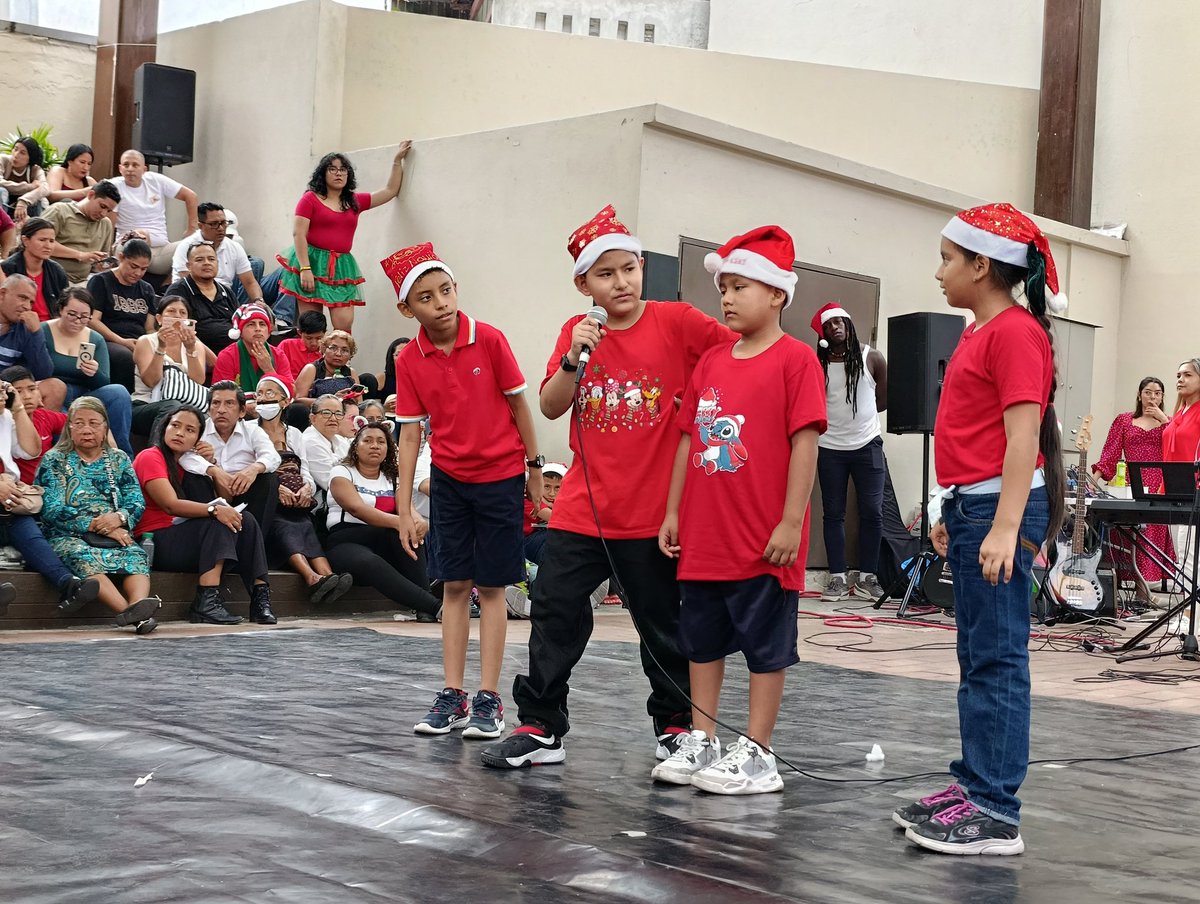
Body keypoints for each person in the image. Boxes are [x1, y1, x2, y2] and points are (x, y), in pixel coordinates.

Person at [480, 205, 733, 770]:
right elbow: (549, 404)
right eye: (605, 274)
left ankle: (675, 725)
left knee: (661, 622)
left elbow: (735, 353)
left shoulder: (679, 321)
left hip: (653, 510)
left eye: (629, 269)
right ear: (583, 284)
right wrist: (573, 357)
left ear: (642, 267)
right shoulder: (577, 335)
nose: (621, 283)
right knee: (554, 606)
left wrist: (702, 410)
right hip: (583, 505)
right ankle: (542, 724)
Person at [893, 203, 1064, 856]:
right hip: (975, 509)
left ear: (982, 265)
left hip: (1000, 513)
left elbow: (1023, 440)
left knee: (997, 658)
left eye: (947, 259)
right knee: (976, 656)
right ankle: (974, 784)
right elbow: (975, 436)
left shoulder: (1015, 334)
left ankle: (995, 810)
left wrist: (1006, 527)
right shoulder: (980, 331)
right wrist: (949, 509)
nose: (939, 272)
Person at [653, 225, 825, 794]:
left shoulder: (797, 361)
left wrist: (792, 522)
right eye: (722, 287)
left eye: (740, 286)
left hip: (761, 537)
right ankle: (703, 738)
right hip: (706, 535)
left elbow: (805, 442)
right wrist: (674, 510)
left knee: (764, 645)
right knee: (700, 641)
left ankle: (758, 750)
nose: (726, 298)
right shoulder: (711, 363)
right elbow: (687, 439)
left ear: (777, 293)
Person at [384, 241, 542, 740]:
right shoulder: (410, 359)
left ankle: (489, 698)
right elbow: (410, 433)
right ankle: (452, 694)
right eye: (427, 297)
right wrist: (407, 504)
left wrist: (534, 469)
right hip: (450, 481)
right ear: (408, 308)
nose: (442, 303)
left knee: (492, 588)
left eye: (446, 290)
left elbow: (520, 407)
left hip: (499, 478)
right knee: (454, 586)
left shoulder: (490, 339)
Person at [133, 406, 274, 625]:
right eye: (175, 426)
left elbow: (226, 497)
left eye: (189, 430)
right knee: (215, 523)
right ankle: (205, 601)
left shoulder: (188, 463)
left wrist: (213, 465)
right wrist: (213, 510)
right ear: (164, 428)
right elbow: (170, 505)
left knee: (247, 520)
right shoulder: (150, 456)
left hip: (183, 537)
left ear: (198, 440)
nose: (180, 433)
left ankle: (260, 597)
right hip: (155, 540)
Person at [36, 396, 161, 634]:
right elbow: (51, 508)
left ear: (105, 428)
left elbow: (136, 500)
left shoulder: (119, 458)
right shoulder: (55, 459)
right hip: (69, 533)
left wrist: (119, 518)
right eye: (79, 423)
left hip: (115, 531)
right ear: (69, 427)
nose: (86, 429)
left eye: (94, 423)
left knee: (135, 554)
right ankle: (133, 615)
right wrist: (95, 524)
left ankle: (137, 606)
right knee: (81, 554)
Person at [276, 143, 411, 333]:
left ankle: (340, 363)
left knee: (344, 325)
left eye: (343, 169)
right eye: (332, 169)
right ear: (323, 174)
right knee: (312, 326)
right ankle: (313, 363)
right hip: (311, 263)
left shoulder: (354, 201)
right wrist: (305, 268)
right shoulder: (310, 199)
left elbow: (390, 191)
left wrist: (397, 161)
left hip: (341, 267)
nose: (338, 173)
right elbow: (299, 234)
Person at [0, 373, 100, 613]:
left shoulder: (6, 417)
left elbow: (31, 450)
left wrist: (17, 409)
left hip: (11, 500)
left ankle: (67, 583)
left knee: (22, 520)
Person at [812, 302, 889, 602]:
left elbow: (882, 401)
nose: (835, 328)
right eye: (828, 326)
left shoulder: (872, 358)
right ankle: (837, 578)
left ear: (849, 322)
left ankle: (868, 576)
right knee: (833, 514)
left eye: (839, 322)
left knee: (872, 512)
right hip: (830, 447)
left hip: (867, 444)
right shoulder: (819, 363)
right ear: (823, 334)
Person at [253, 373, 353, 603]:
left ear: (284, 401)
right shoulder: (250, 429)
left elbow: (304, 467)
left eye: (270, 393)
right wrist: (276, 488)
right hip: (268, 496)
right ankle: (311, 578)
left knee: (305, 524)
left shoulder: (294, 433)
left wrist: (307, 487)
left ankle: (330, 577)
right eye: (260, 393)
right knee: (285, 527)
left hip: (297, 494)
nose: (264, 398)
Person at [326, 422, 441, 618]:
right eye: (367, 440)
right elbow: (358, 509)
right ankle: (435, 606)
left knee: (411, 535)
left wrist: (418, 521)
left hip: (383, 540)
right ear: (355, 446)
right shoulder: (342, 472)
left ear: (388, 448)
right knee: (372, 560)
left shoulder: (393, 477)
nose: (375, 446)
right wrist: (401, 522)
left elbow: (406, 507)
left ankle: (426, 608)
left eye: (381, 442)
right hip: (346, 540)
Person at [1091, 376, 1175, 596]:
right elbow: (1110, 453)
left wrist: (1165, 421)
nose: (1153, 397)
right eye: (1148, 392)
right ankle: (1115, 594)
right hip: (1129, 482)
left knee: (1149, 534)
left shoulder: (1171, 423)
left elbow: (1178, 449)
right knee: (1126, 533)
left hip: (1158, 484)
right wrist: (1093, 481)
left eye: (1158, 393)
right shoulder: (1124, 420)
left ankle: (1143, 590)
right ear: (1139, 394)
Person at [40, 287, 134, 455]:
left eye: (84, 317)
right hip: (55, 393)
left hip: (85, 394)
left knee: (119, 392)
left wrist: (94, 372)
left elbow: (104, 381)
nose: (78, 321)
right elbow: (35, 368)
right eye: (72, 314)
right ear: (61, 310)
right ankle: (58, 457)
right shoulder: (43, 331)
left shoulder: (95, 338)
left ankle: (123, 456)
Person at [179, 381, 281, 530]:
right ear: (208, 409)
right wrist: (214, 470)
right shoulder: (198, 431)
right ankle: (208, 534)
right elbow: (184, 456)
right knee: (194, 477)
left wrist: (253, 469)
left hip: (245, 491)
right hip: (210, 493)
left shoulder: (253, 431)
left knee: (269, 479)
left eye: (229, 403)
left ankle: (255, 538)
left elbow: (272, 455)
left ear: (242, 411)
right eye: (216, 403)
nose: (221, 410)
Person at [106, 149, 199, 277]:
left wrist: (192, 228)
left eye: (135, 165)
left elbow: (191, 196)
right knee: (136, 240)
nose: (130, 169)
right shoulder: (114, 186)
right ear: (120, 168)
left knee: (195, 246)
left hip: (161, 249)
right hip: (129, 247)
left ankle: (172, 288)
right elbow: (109, 225)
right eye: (126, 165)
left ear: (144, 169)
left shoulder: (156, 180)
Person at [131, 296, 212, 438]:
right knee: (173, 407)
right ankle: (156, 453)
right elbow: (151, 381)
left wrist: (189, 348)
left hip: (185, 406)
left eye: (182, 313)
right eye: (171, 311)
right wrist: (161, 347)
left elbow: (198, 379)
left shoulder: (196, 346)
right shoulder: (146, 341)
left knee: (205, 418)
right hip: (146, 404)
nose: (177, 316)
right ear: (159, 318)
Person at [85, 237, 157, 392]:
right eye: (134, 266)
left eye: (144, 269)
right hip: (108, 339)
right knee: (124, 357)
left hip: (138, 341)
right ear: (121, 258)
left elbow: (150, 328)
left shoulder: (147, 289)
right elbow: (93, 321)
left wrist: (153, 345)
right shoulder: (101, 281)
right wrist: (122, 341)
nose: (138, 273)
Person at [1162, 357, 1200, 633]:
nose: (1180, 379)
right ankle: (1187, 613)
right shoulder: (1179, 413)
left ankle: (1191, 617)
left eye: (1187, 374)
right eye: (1178, 374)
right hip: (1171, 493)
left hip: (1193, 493)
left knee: (1191, 558)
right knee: (1180, 557)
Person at [171, 202, 266, 306]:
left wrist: (259, 301)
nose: (221, 228)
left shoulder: (234, 247)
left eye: (224, 223)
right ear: (200, 226)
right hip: (192, 298)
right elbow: (191, 283)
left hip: (224, 297)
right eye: (214, 224)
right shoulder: (186, 246)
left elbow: (250, 282)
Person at [163, 240, 240, 352]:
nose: (207, 263)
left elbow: (239, 323)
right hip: (196, 354)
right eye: (199, 259)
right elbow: (177, 329)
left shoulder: (226, 291)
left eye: (211, 259)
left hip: (232, 354)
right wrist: (214, 361)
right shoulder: (178, 290)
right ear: (189, 266)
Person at [0, 274, 64, 410]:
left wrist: (36, 332)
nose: (27, 307)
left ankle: (36, 431)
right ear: (2, 294)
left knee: (55, 387)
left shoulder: (25, 327)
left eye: (31, 302)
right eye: (22, 298)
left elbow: (44, 372)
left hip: (9, 389)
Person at [43, 182, 120, 286]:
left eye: (109, 210)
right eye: (102, 206)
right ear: (91, 195)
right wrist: (80, 255)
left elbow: (100, 263)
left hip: (84, 282)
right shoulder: (60, 211)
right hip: (52, 278)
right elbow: (40, 243)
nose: (103, 213)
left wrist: (101, 265)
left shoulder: (106, 224)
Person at [2, 364, 65, 482]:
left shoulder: (45, 416)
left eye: (31, 389)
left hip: (52, 484)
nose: (27, 397)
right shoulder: (6, 421)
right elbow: (31, 453)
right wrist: (18, 408)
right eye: (18, 391)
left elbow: (79, 422)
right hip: (23, 489)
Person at [212, 302, 292, 392]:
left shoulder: (279, 355)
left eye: (262, 324)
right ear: (240, 332)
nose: (258, 328)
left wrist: (269, 369)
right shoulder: (227, 355)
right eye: (251, 324)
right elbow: (221, 393)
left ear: (269, 332)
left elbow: (290, 392)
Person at [2, 217, 69, 321]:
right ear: (25, 240)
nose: (48, 246)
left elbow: (65, 305)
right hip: (18, 326)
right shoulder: (8, 268)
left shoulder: (57, 271)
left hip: (52, 326)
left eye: (51, 241)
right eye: (42, 240)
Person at [292, 329, 372, 409]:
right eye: (333, 348)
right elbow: (298, 400)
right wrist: (332, 401)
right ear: (324, 349)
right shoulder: (311, 369)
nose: (338, 354)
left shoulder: (351, 372)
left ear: (350, 355)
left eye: (345, 350)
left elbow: (359, 403)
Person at [303, 394, 351, 493]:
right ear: (313, 418)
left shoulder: (340, 440)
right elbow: (332, 483)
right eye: (326, 413)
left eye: (338, 414)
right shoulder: (310, 442)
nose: (333, 418)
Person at [0, 137, 50, 224]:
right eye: (15, 149)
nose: (16, 155)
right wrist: (30, 186)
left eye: (22, 153)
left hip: (23, 210)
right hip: (3, 206)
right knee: (1, 191)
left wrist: (24, 200)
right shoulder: (3, 160)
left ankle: (35, 231)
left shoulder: (35, 170)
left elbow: (45, 188)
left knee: (40, 200)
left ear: (30, 157)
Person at [274, 310, 326, 379]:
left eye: (319, 338)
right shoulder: (287, 345)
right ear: (299, 332)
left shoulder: (327, 351)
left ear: (325, 333)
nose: (314, 343)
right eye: (309, 338)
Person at [376, 336, 410, 401]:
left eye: (407, 353)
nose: (403, 357)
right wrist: (384, 407)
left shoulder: (419, 379)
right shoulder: (382, 378)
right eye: (398, 354)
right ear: (391, 358)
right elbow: (374, 405)